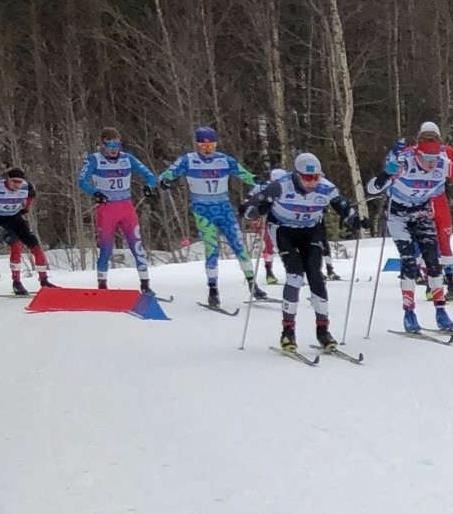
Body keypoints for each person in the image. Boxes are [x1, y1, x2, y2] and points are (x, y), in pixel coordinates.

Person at [244, 152, 355, 354]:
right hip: (283, 230)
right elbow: (249, 207)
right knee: (295, 275)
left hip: (310, 230)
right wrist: (258, 208)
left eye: (316, 177)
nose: (312, 182)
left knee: (315, 275)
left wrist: (353, 219)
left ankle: (323, 331)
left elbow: (342, 206)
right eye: (307, 177)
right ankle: (288, 332)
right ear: (297, 175)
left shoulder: (326, 187)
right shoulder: (280, 185)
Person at [368, 122, 453, 336]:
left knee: (433, 259)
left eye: (434, 158)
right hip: (398, 215)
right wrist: (386, 173)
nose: (431, 163)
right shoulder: (404, 160)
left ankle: (441, 311)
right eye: (426, 158)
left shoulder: (442, 162)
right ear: (417, 151)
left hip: (421, 212)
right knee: (409, 261)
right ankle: (409, 313)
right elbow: (372, 188)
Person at [157, 126, 261, 306]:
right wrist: (164, 181)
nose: (207, 150)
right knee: (211, 249)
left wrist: (258, 179)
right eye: (203, 146)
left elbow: (245, 175)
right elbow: (166, 174)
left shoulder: (223, 160)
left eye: (211, 145)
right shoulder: (188, 160)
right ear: (197, 145)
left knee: (239, 246)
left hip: (223, 208)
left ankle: (253, 284)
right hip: (203, 211)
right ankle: (213, 290)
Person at [78, 129, 160, 290]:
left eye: (117, 144)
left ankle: (145, 284)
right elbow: (81, 180)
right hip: (106, 208)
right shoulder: (95, 159)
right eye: (110, 144)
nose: (114, 148)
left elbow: (150, 175)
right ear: (102, 144)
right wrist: (95, 192)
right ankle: (102, 285)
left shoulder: (127, 158)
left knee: (137, 246)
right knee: (106, 249)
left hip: (126, 207)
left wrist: (148, 187)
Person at [0, 167, 53, 293]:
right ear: (7, 179)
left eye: (19, 182)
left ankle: (44, 280)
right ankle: (16, 282)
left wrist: (27, 207)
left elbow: (31, 196)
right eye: (14, 181)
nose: (16, 185)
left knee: (35, 245)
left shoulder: (27, 187)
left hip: (14, 217)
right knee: (15, 244)